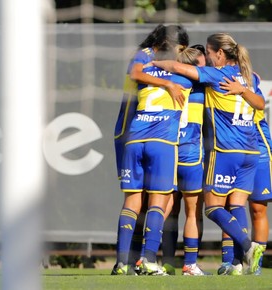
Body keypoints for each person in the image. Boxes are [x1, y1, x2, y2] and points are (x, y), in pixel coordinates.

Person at [152, 32, 265, 274]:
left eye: (210, 53)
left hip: (226, 150)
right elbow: (260, 104)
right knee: (236, 206)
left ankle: (248, 246)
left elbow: (176, 66)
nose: (209, 58)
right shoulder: (249, 78)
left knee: (212, 208)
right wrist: (243, 91)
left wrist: (152, 64)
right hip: (251, 152)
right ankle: (239, 266)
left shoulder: (216, 75)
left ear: (220, 54)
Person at [112, 24, 190, 275]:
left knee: (132, 202)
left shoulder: (152, 67)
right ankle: (148, 260)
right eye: (180, 48)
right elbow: (135, 72)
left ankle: (123, 263)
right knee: (159, 200)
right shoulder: (151, 58)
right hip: (161, 142)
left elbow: (138, 75)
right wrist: (169, 84)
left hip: (134, 137)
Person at [216, 76, 272, 275]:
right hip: (232, 147)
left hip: (259, 147)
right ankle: (231, 261)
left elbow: (258, 103)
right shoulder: (219, 77)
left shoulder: (252, 77)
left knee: (258, 208)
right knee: (230, 205)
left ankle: (255, 264)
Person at [161, 46, 208, 276]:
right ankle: (190, 264)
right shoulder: (202, 87)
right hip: (190, 153)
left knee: (168, 211)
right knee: (193, 212)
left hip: (169, 151)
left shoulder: (168, 84)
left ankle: (160, 261)